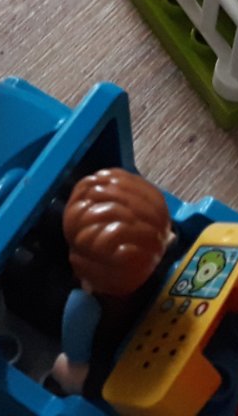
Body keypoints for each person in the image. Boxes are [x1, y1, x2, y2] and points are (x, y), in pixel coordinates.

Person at [50, 167, 174, 395]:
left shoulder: (87, 302)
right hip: (137, 333)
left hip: (134, 336)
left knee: (67, 368)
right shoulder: (85, 304)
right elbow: (75, 352)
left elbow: (75, 354)